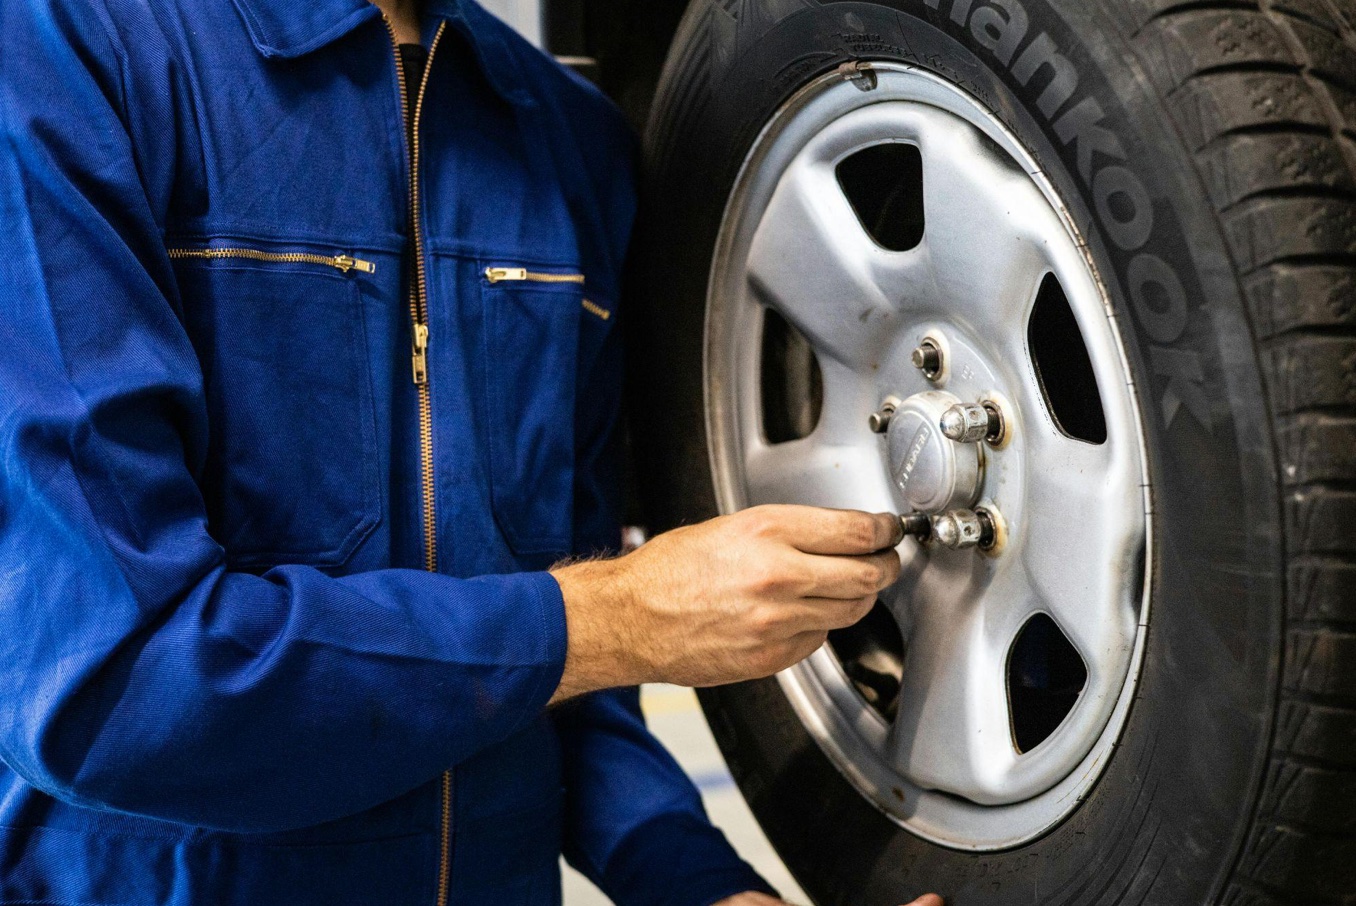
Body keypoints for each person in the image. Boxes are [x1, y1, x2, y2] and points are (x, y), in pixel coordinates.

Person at [0, 0, 942, 903]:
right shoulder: (66, 49)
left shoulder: (568, 137)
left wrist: (695, 882)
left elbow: (567, 688)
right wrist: (606, 620)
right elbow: (109, 686)